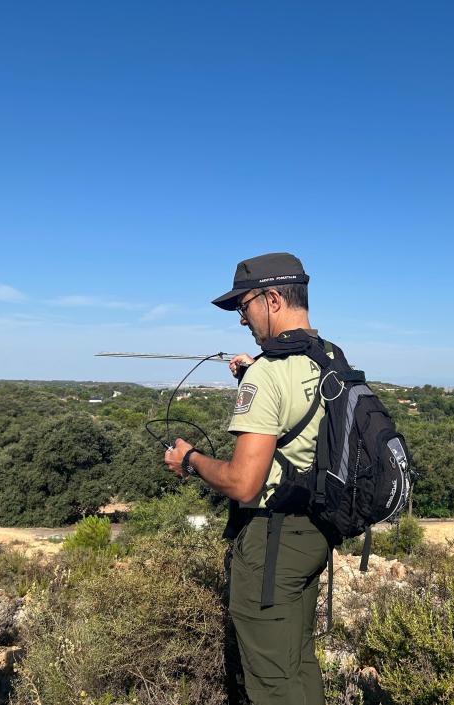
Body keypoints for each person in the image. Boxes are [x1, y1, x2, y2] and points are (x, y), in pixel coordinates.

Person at [164, 252, 329, 705]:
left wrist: (191, 459)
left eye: (244, 306)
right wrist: (252, 374)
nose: (242, 320)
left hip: (271, 541)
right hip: (316, 531)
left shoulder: (270, 374)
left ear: (272, 298)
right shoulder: (328, 358)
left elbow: (243, 482)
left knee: (271, 685)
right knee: (299, 662)